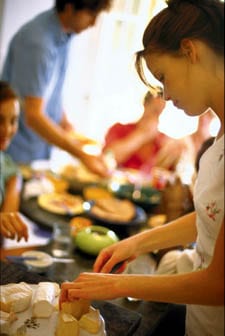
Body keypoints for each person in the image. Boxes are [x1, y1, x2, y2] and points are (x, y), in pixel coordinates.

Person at [60, 1, 224, 335]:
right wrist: (136, 244)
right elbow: (212, 216)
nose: (165, 93)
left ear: (190, 51)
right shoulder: (220, 136)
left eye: (163, 76)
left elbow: (219, 285)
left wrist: (114, 286)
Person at [1, 0, 112, 177]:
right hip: (15, 154)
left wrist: (67, 126)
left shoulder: (64, 36)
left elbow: (50, 97)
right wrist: (80, 154)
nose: (93, 23)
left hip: (35, 154)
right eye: (91, 15)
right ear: (69, 7)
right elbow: (33, 116)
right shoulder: (39, 43)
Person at [103, 89, 188, 174]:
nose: (157, 117)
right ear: (145, 104)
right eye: (155, 110)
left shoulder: (162, 140)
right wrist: (142, 134)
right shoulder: (119, 129)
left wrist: (177, 155)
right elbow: (108, 158)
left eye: (160, 112)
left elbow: (169, 173)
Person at [0, 81, 28, 242]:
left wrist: (15, 184)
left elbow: (9, 228)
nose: (8, 130)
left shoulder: (7, 163)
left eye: (13, 120)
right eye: (0, 120)